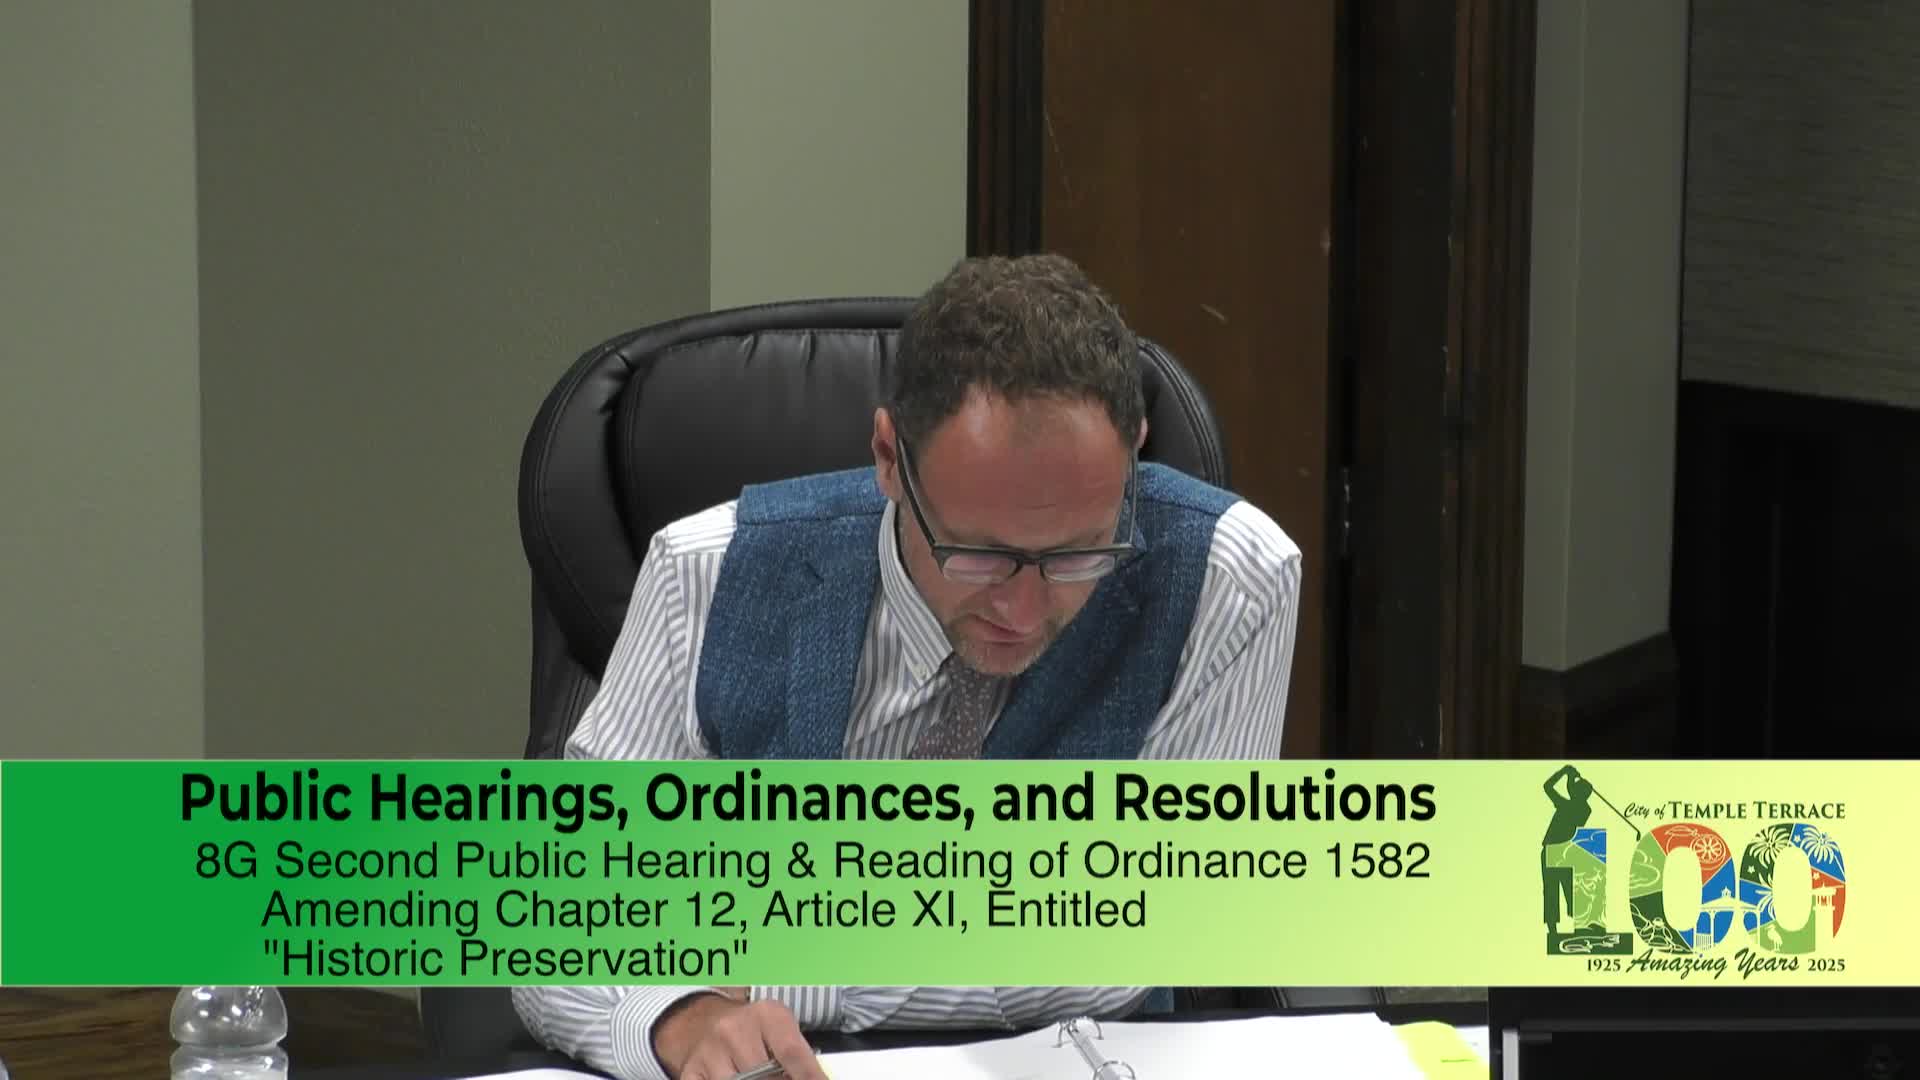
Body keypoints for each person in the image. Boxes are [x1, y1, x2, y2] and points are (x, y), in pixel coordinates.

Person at [512, 253, 1302, 1080]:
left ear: (1134, 454)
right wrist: (678, 1017)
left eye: (1079, 553)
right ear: (890, 457)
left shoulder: (1231, 575)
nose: (1022, 609)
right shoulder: (701, 572)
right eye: (978, 553)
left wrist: (775, 966)